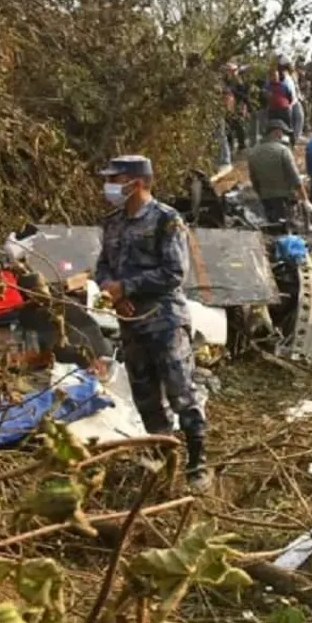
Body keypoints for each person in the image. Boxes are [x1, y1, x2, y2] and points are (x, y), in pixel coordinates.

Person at [93, 155, 209, 491]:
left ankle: (197, 464)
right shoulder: (113, 222)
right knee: (145, 395)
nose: (110, 185)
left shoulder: (166, 220)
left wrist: (127, 287)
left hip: (165, 320)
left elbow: (174, 273)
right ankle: (161, 459)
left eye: (116, 178)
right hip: (129, 320)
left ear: (138, 181)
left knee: (181, 391)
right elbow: (103, 267)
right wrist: (112, 292)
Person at [248, 119, 310, 224]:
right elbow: (295, 178)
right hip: (284, 199)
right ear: (277, 132)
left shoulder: (253, 152)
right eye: (283, 132)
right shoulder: (283, 151)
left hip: (266, 199)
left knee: (271, 228)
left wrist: (262, 194)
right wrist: (305, 200)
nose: (283, 136)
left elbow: (253, 179)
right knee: (286, 230)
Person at [278, 55, 304, 145]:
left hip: (295, 99)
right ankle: (287, 141)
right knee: (288, 122)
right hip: (286, 100)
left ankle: (295, 138)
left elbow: (295, 86)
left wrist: (299, 95)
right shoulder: (280, 74)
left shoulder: (292, 74)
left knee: (299, 117)